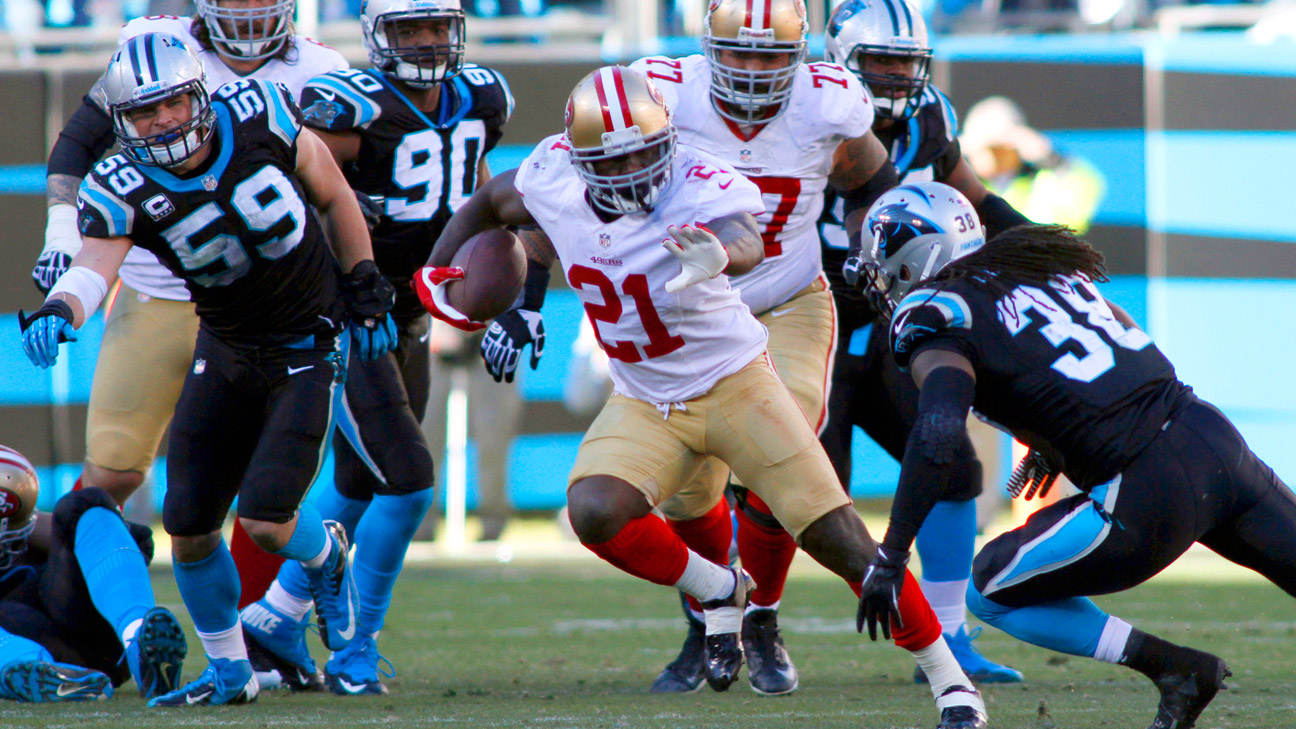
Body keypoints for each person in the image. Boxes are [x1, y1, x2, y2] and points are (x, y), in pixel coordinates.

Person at [414, 65, 988, 729]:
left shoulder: (696, 178)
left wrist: (717, 254)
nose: (635, 169)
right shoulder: (553, 176)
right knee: (593, 511)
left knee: (839, 537)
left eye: (646, 151)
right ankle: (721, 586)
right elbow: (489, 201)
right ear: (580, 160)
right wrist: (437, 267)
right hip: (644, 396)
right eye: (616, 158)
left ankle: (952, 683)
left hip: (735, 383)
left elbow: (744, 234)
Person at [19, 33, 395, 707]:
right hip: (224, 345)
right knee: (188, 521)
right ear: (122, 122)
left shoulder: (263, 112)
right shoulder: (119, 184)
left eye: (171, 104)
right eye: (142, 114)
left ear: (200, 92)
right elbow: (93, 268)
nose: (162, 122)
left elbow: (335, 196)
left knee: (267, 518)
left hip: (306, 339)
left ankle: (325, 554)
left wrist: (362, 277)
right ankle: (230, 672)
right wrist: (59, 310)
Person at [848, 180, 1295, 729]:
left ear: (917, 254)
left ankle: (1176, 669)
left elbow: (938, 432)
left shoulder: (935, 312)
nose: (873, 271)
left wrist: (891, 555)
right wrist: (1057, 434)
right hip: (1210, 436)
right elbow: (1122, 329)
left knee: (990, 587)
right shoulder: (1041, 264)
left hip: (1146, 487)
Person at [621, 0, 907, 696]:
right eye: (740, 53)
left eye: (771, 55)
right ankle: (711, 614)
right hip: (693, 308)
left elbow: (869, 179)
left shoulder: (828, 103)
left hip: (787, 297)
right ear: (708, 50)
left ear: (802, 57)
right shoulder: (662, 92)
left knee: (782, 452)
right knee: (691, 488)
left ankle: (764, 618)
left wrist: (870, 233)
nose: (753, 70)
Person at [238, 0, 514, 696]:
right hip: (351, 313)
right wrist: (343, 297)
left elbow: (477, 195)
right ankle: (356, 647)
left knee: (360, 481)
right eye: (407, 29)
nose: (424, 42)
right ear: (375, 38)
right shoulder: (351, 107)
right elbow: (306, 204)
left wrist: (494, 286)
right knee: (410, 478)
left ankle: (276, 616)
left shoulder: (480, 95)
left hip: (410, 316)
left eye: (435, 28)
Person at [817, 0, 1030, 684]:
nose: (895, 76)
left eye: (906, 62)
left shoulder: (928, 117)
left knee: (954, 466)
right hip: (806, 317)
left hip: (887, 325)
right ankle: (725, 629)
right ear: (845, 57)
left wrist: (1035, 244)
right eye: (881, 61)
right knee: (794, 493)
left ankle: (948, 638)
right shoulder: (810, 113)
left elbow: (967, 192)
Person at [0, 445, 187, 703]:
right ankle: (36, 670)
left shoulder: (28, 532)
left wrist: (27, 526)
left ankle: (138, 639)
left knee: (84, 505)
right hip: (24, 642)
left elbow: (135, 541)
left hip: (82, 635)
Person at [959, 95, 1104, 235]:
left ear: (1014, 146)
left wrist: (1052, 160)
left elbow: (1085, 193)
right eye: (977, 148)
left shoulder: (1043, 182)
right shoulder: (962, 185)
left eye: (994, 148)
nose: (983, 156)